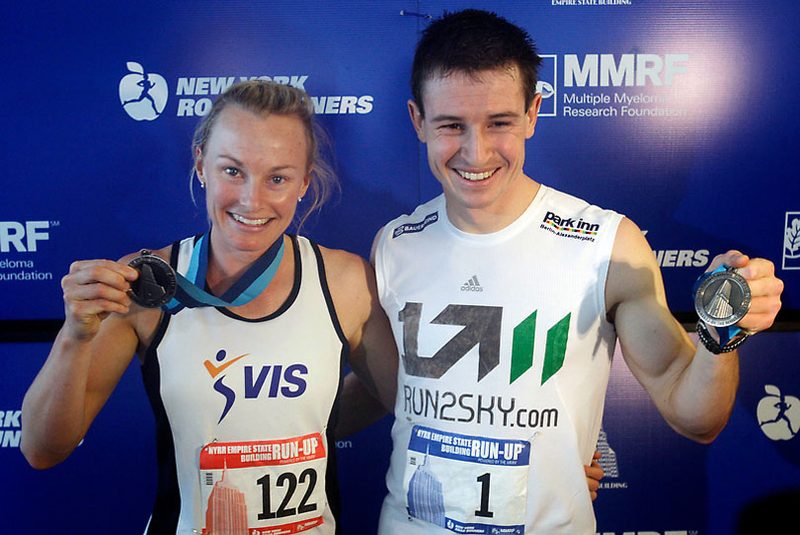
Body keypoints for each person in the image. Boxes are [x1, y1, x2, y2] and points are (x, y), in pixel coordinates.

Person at [371, 9, 784, 535]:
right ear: (417, 120)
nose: (476, 152)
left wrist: (723, 334)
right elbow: (387, 390)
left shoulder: (606, 245)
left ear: (532, 113)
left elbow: (695, 416)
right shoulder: (394, 244)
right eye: (451, 125)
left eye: (499, 123)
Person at [20, 80, 398, 535]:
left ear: (304, 182)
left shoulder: (344, 283)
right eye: (232, 171)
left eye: (277, 178)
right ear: (200, 164)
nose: (251, 200)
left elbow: (408, 402)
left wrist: (297, 432)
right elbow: (42, 449)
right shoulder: (146, 285)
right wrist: (75, 337)